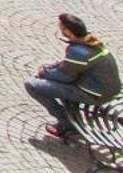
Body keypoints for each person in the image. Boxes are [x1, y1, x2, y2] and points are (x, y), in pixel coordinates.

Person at [27, 12, 120, 140]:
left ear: (68, 31)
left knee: (32, 85)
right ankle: (70, 116)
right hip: (108, 89)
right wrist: (50, 68)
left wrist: (44, 73)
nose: (59, 29)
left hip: (95, 94)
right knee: (51, 78)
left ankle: (66, 122)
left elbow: (66, 76)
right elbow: (70, 65)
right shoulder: (92, 43)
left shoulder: (78, 51)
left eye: (61, 27)